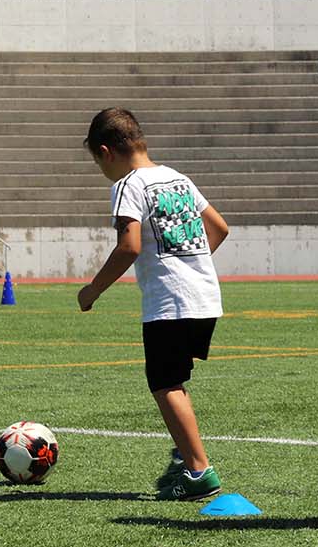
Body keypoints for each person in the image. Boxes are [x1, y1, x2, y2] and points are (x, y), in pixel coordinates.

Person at [77, 107, 230, 501]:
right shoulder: (178, 178)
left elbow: (128, 246)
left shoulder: (128, 184)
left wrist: (93, 290)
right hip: (205, 296)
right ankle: (187, 456)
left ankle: (198, 471)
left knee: (165, 383)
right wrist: (189, 261)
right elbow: (219, 227)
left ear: (107, 152)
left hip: (170, 301)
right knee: (175, 380)